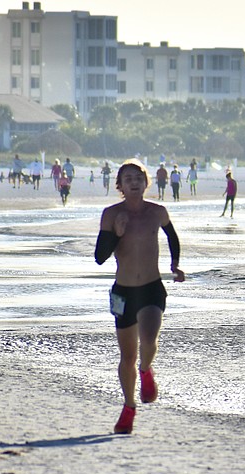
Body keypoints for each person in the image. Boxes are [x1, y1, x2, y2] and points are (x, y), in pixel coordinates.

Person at [94, 159, 185, 434]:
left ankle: (146, 369)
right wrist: (117, 234)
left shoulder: (157, 212)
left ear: (146, 183)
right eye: (128, 179)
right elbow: (100, 257)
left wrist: (175, 265)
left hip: (151, 288)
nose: (134, 182)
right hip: (122, 293)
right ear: (120, 186)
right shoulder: (111, 215)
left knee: (148, 340)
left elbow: (172, 237)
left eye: (138, 178)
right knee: (127, 356)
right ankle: (129, 406)